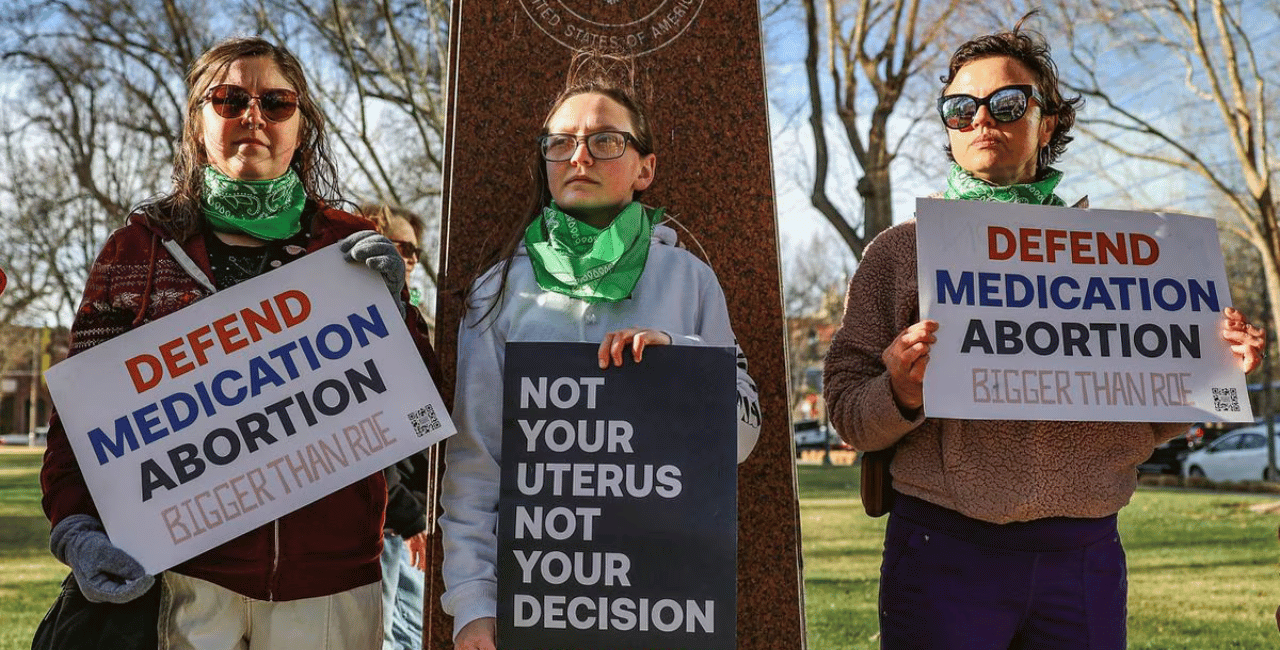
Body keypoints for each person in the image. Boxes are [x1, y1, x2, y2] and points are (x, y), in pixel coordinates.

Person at [823, 19, 1267, 650]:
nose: (982, 120)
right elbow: (846, 413)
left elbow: (1145, 419)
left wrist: (1210, 370)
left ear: (1048, 122)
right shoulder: (897, 254)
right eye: (960, 108)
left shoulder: (1123, 256)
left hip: (1083, 555)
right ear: (948, 126)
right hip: (942, 548)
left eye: (1007, 104)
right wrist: (900, 392)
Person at [40, 36, 438, 648]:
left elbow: (424, 406)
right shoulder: (138, 251)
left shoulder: (350, 245)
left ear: (301, 126)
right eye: (228, 100)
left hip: (332, 585)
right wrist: (74, 526)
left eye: (276, 103)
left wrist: (399, 313)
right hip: (185, 578)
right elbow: (80, 419)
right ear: (198, 125)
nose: (253, 116)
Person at [438, 54, 763, 650]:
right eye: (560, 143)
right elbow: (475, 462)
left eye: (605, 140)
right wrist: (471, 602)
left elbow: (742, 440)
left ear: (645, 168)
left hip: (661, 600)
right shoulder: (498, 290)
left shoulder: (690, 281)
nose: (579, 156)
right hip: (538, 597)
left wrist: (680, 365)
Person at [358, 203, 434, 650]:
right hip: (382, 524)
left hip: (410, 523)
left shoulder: (411, 321)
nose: (408, 258)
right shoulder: (356, 322)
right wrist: (406, 513)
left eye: (416, 251)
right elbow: (361, 434)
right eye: (399, 246)